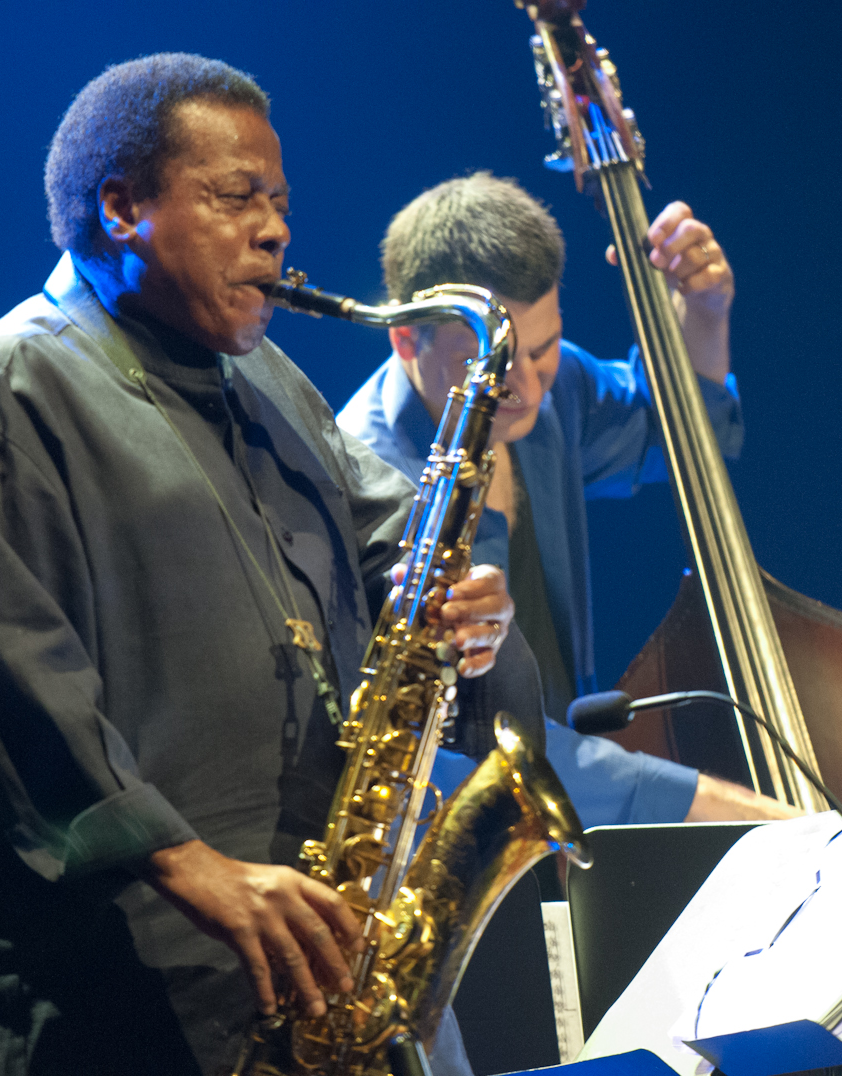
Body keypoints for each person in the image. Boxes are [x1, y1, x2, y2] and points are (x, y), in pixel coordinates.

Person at [0, 56, 521, 1076]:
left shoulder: (260, 368)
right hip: (124, 990)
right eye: (237, 198)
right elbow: (15, 690)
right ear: (123, 206)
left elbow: (378, 526)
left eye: (278, 202)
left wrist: (452, 592)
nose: (274, 230)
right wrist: (195, 867)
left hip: (309, 952)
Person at [338, 172, 797, 826]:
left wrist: (703, 313)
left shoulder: (551, 392)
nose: (526, 386)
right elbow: (470, 740)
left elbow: (680, 436)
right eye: (492, 364)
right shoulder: (370, 487)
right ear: (407, 339)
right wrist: (750, 819)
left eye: (544, 348)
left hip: (573, 809)